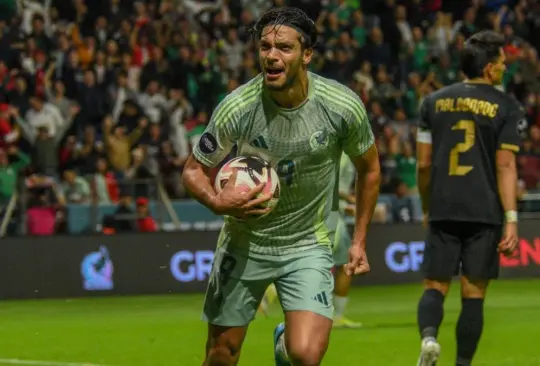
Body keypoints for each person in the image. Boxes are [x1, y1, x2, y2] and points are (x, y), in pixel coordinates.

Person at [181, 7, 381, 366]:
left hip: (308, 244)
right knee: (221, 355)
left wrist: (360, 240)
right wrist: (217, 202)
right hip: (244, 244)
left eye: (284, 48)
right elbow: (194, 170)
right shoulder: (237, 108)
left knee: (305, 354)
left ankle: (283, 348)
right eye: (265, 46)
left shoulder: (341, 106)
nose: (271, 56)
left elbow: (370, 169)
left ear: (307, 55)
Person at [415, 30, 525, 366]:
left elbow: (422, 164)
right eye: (503, 62)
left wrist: (427, 205)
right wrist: (511, 218)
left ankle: (429, 337)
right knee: (473, 294)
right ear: (490, 68)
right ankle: (462, 363)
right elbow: (505, 165)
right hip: (485, 211)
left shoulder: (432, 102)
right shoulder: (506, 105)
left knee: (434, 284)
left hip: (444, 206)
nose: (505, 68)